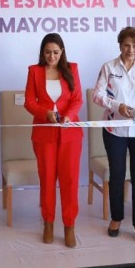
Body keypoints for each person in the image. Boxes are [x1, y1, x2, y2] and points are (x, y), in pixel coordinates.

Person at [93, 26, 135, 243]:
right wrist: (116, 105)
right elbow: (97, 95)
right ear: (120, 45)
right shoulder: (108, 67)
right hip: (114, 130)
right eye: (127, 45)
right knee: (117, 175)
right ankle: (116, 218)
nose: (131, 50)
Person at [24, 33, 83, 248]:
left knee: (70, 180)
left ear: (62, 52)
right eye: (47, 52)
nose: (51, 57)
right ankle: (48, 223)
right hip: (44, 134)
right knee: (47, 179)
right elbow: (29, 102)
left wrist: (69, 116)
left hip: (70, 134)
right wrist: (45, 113)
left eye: (56, 52)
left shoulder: (72, 69)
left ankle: (69, 225)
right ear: (42, 52)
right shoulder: (34, 71)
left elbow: (77, 99)